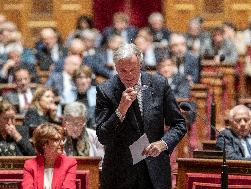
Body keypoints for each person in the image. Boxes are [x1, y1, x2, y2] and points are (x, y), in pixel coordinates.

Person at [95, 43, 186, 189]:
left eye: (133, 69)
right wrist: (121, 109)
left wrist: (163, 144)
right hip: (119, 173)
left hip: (155, 170)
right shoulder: (106, 90)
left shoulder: (159, 84)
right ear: (116, 68)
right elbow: (102, 136)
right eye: (123, 71)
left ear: (141, 65)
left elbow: (179, 124)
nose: (129, 75)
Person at [22, 123, 77, 189]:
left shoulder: (69, 164)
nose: (62, 143)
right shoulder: (30, 165)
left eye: (62, 139)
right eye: (57, 140)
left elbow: (68, 187)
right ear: (44, 144)